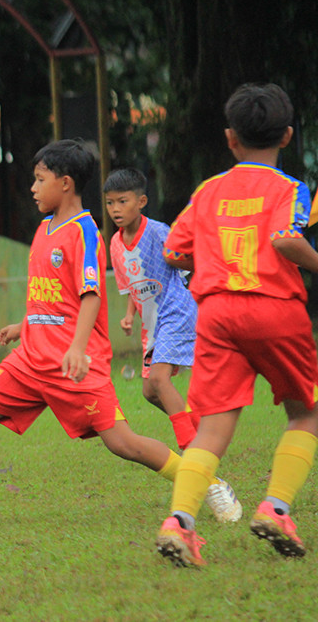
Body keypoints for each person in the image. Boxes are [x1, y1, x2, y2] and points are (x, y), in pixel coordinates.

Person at [0, 139, 217, 531]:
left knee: (124, 443)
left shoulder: (84, 232)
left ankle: (203, 480)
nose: (33, 188)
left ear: (66, 183)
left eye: (39, 180)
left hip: (74, 365)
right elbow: (48, 293)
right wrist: (24, 324)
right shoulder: (43, 229)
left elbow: (90, 296)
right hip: (30, 359)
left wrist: (75, 349)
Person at [155, 83, 318, 567]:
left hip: (217, 314)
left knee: (212, 427)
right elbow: (289, 240)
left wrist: (208, 257)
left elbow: (174, 251)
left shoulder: (207, 191)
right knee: (305, 411)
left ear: (230, 139)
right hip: (273, 308)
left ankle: (179, 524)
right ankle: (276, 508)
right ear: (287, 135)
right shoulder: (290, 189)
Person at [104, 168, 241, 522]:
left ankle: (204, 471)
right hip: (153, 322)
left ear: (141, 201)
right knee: (150, 391)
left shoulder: (160, 232)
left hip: (177, 311)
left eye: (123, 201)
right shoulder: (116, 244)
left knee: (161, 381)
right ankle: (204, 435)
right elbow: (134, 285)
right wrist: (130, 315)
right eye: (109, 203)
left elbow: (189, 260)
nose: (116, 209)